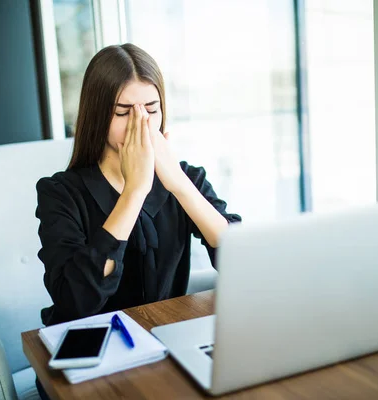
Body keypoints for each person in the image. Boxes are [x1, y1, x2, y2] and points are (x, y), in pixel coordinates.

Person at [34, 42, 241, 396]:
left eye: (151, 108)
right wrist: (135, 190)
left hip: (163, 346)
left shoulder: (184, 178)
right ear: (98, 117)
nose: (141, 123)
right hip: (87, 361)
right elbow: (74, 300)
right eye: (123, 111)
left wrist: (176, 183)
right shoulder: (61, 192)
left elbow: (241, 259)